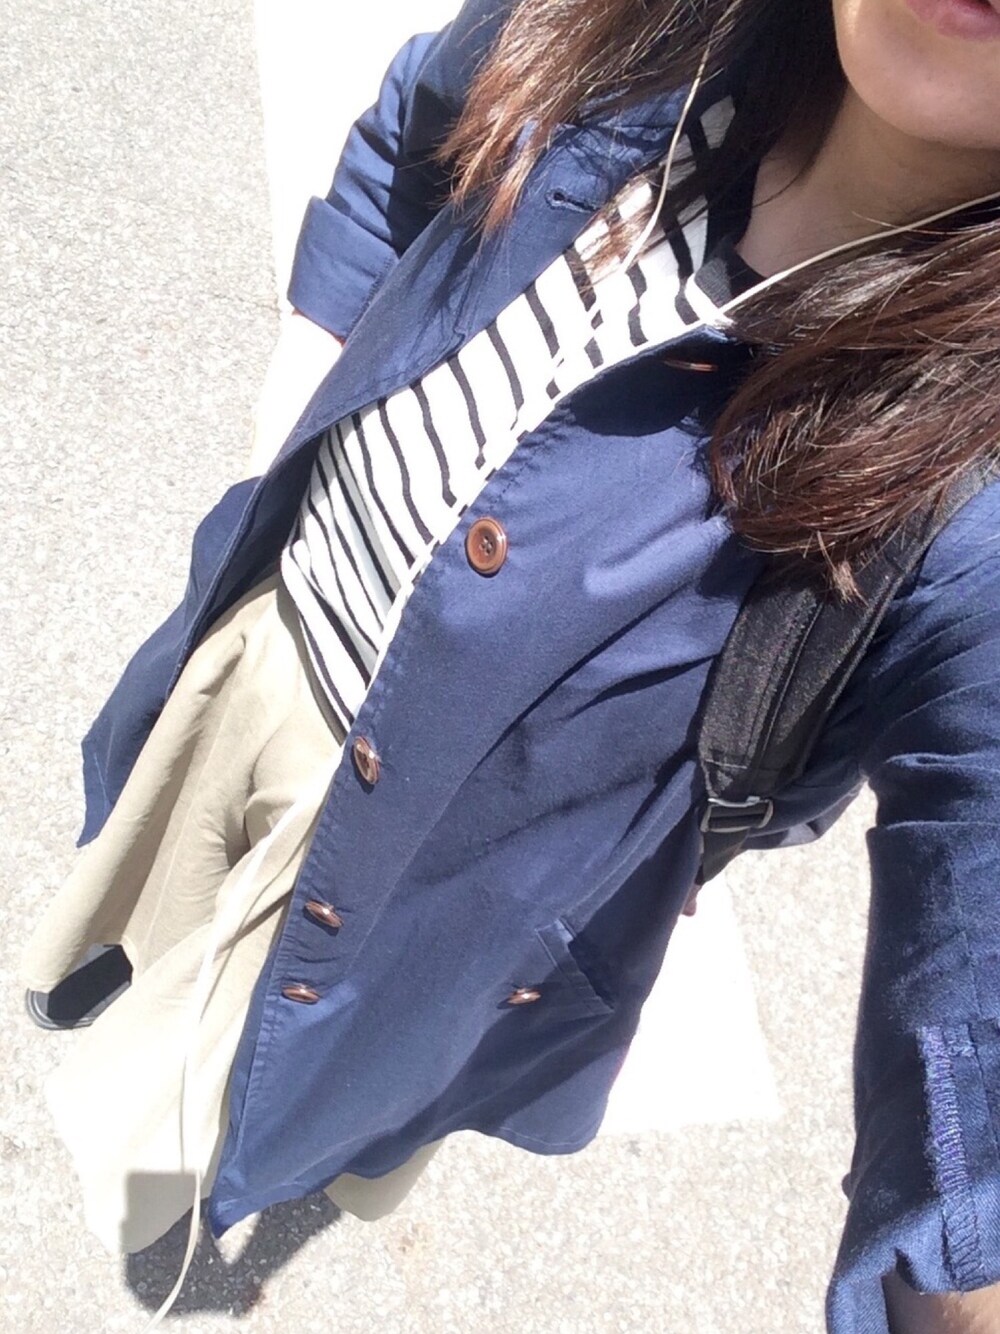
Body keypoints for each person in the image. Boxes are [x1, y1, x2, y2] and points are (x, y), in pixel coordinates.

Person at [17, 0, 1000, 1330]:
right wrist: (294, 417)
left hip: (450, 907)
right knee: (156, 946)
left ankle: (299, 1148)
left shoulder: (972, 489)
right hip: (261, 658)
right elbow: (413, 133)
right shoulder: (656, 36)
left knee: (338, 1089)